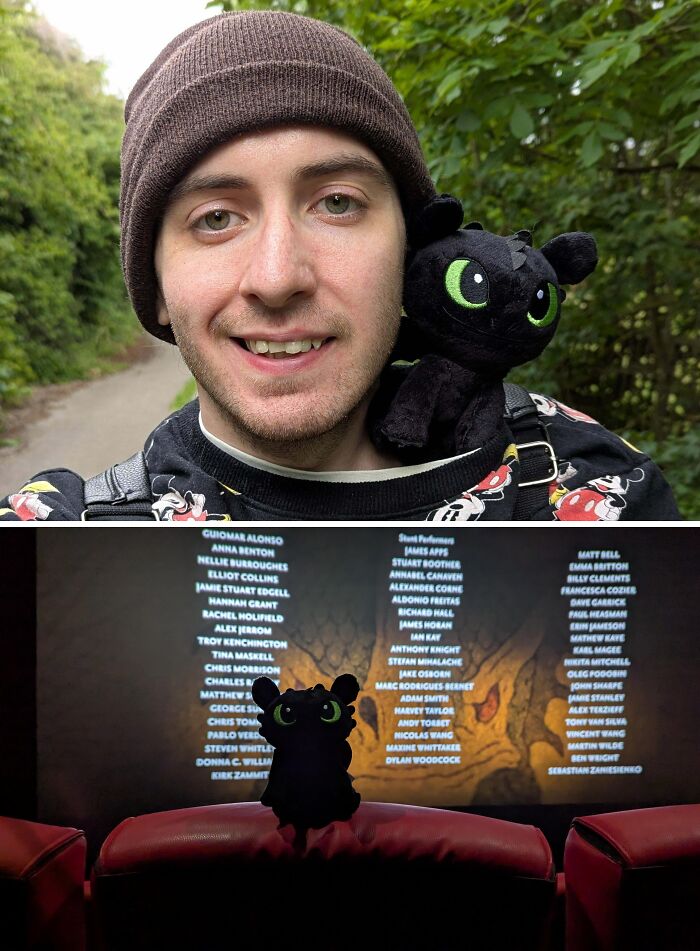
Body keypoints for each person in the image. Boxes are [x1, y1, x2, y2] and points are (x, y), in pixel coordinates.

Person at [0, 10, 680, 522]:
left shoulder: (600, 497)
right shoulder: (53, 552)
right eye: (215, 217)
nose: (276, 275)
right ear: (155, 288)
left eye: (335, 203)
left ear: (412, 252)